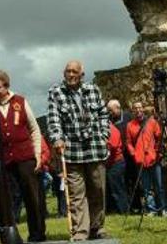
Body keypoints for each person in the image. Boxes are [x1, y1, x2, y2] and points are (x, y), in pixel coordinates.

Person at [46, 60, 110, 241]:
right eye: (68, 71)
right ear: (64, 73)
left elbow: (103, 114)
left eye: (75, 72)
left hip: (95, 148)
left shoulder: (93, 90)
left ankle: (97, 227)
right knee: (76, 193)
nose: (71, 75)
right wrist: (57, 138)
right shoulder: (56, 92)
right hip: (72, 151)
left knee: (98, 189)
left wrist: (104, 135)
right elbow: (53, 119)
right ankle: (81, 231)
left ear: (82, 74)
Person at [0, 70, 46, 242]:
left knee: (32, 196)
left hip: (24, 157)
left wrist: (37, 154)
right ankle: (10, 237)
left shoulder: (21, 102)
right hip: (1, 160)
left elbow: (34, 129)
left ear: (7, 86)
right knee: (5, 200)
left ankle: (37, 234)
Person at [126, 101, 167, 217]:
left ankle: (163, 209)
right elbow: (128, 143)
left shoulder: (152, 122)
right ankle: (151, 210)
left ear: (143, 109)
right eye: (135, 108)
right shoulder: (130, 125)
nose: (138, 110)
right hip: (140, 161)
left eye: (140, 107)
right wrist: (134, 154)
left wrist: (157, 152)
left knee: (159, 186)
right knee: (146, 188)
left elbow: (159, 137)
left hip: (154, 159)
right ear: (133, 111)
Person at [105, 121, 129, 214]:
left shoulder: (112, 130)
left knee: (118, 188)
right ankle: (113, 209)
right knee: (112, 188)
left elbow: (113, 146)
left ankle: (123, 210)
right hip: (110, 163)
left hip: (116, 163)